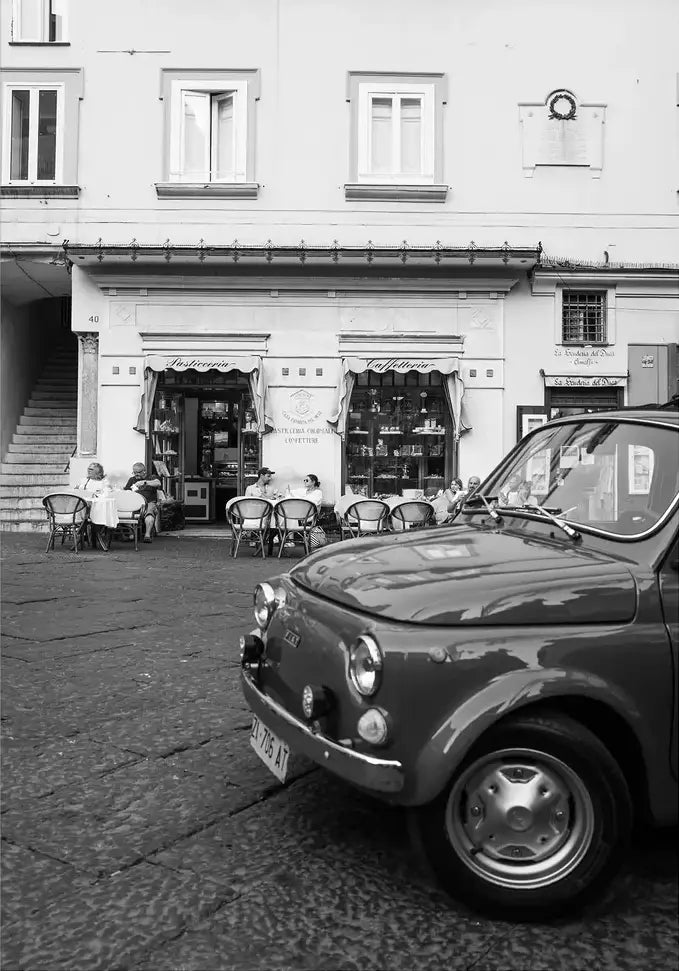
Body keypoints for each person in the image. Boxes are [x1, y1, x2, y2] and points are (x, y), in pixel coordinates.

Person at [124, 462, 161, 543]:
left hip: (149, 502)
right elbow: (126, 491)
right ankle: (132, 534)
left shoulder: (151, 477)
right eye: (134, 472)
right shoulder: (132, 479)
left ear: (144, 471)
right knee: (126, 512)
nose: (136, 474)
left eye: (138, 472)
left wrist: (144, 482)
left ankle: (147, 535)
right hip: (135, 503)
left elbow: (158, 482)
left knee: (149, 513)